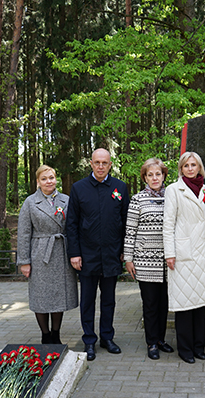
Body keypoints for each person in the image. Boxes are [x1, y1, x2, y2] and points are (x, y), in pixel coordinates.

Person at [66, 148, 130, 361]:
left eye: (105, 162)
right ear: (90, 164)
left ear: (110, 164)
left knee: (109, 300)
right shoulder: (78, 188)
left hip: (112, 255)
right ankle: (89, 340)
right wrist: (74, 253)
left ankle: (107, 338)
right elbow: (72, 223)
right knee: (87, 301)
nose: (101, 166)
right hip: (87, 256)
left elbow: (125, 222)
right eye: (97, 162)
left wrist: (123, 250)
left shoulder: (120, 187)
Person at [17, 165, 79, 345]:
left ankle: (56, 333)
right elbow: (24, 233)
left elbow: (73, 227)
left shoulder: (66, 200)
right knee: (41, 297)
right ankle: (45, 335)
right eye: (44, 179)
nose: (48, 181)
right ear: (38, 182)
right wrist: (24, 261)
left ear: (56, 179)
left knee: (59, 296)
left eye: (51, 177)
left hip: (61, 252)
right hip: (40, 255)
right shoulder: (30, 202)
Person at [163, 152, 205, 364]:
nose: (191, 169)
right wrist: (170, 254)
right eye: (186, 166)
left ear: (200, 167)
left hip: (202, 251)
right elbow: (168, 224)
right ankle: (185, 349)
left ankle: (198, 346)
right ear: (181, 169)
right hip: (182, 253)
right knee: (184, 303)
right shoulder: (173, 190)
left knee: (199, 302)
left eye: (194, 165)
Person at [124, 158, 174, 360]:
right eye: (150, 174)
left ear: (164, 176)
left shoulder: (172, 196)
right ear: (145, 177)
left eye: (158, 174)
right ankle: (151, 342)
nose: (155, 178)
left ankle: (161, 339)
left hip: (168, 262)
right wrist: (128, 258)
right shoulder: (138, 199)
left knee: (164, 303)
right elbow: (130, 231)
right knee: (151, 303)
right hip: (145, 261)